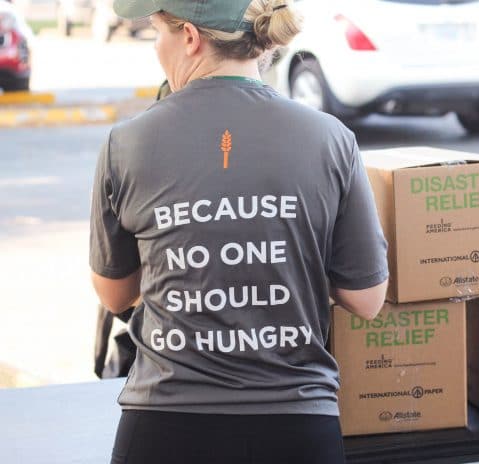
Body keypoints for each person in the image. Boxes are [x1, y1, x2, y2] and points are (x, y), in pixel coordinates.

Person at [89, 1, 389, 463]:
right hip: (297, 426)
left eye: (156, 31)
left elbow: (115, 294)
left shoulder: (126, 143)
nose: (157, 46)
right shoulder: (331, 138)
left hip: (166, 425)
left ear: (189, 37)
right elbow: (367, 299)